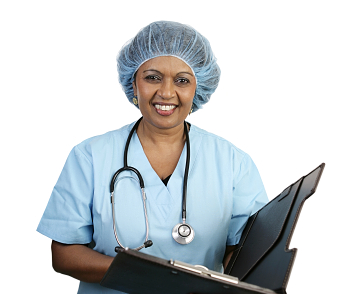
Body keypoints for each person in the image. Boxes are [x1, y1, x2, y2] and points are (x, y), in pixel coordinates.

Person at [37, 21, 268, 293]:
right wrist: (153, 276)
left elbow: (248, 253)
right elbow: (64, 254)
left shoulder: (233, 163)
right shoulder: (89, 156)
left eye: (182, 80)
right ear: (134, 84)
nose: (166, 93)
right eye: (152, 77)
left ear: (197, 89)